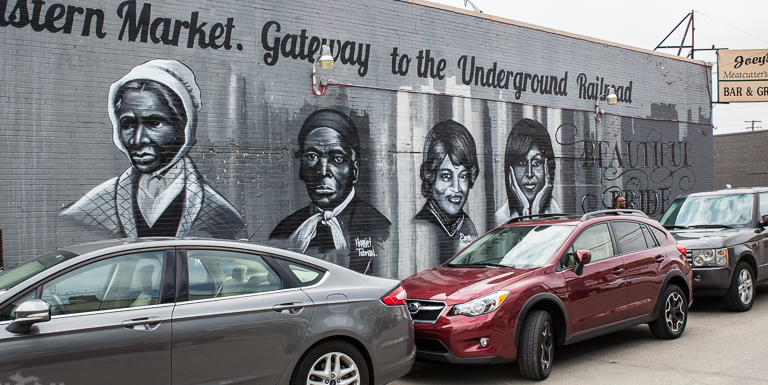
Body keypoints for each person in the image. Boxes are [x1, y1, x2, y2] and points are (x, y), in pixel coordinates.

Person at [61, 59, 244, 238]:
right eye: (128, 124)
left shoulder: (219, 214)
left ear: (183, 127)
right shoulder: (92, 209)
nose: (138, 140)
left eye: (154, 123)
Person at [270, 109, 390, 274]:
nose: (322, 171)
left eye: (337, 158)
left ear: (354, 170)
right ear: (301, 169)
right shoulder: (285, 230)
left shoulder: (379, 229)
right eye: (312, 157)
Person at [413, 120, 479, 265]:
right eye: (446, 176)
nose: (456, 188)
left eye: (462, 176)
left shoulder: (466, 224)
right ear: (431, 176)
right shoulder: (422, 228)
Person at [495, 118, 561, 224]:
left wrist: (536, 210)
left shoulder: (560, 215)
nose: (529, 173)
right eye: (522, 163)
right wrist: (526, 210)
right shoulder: (501, 219)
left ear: (548, 168)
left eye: (536, 163)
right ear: (511, 170)